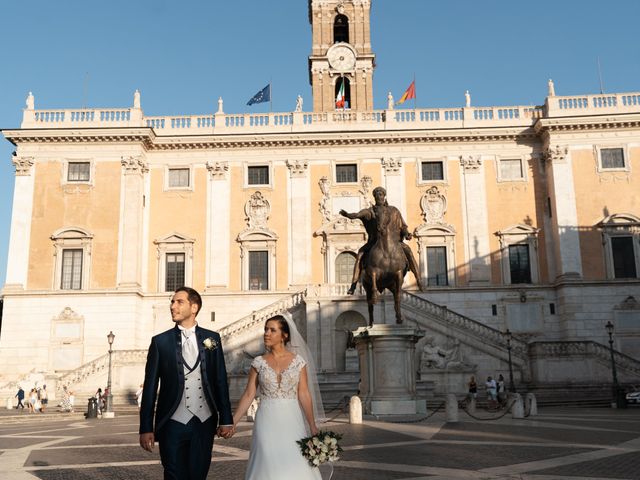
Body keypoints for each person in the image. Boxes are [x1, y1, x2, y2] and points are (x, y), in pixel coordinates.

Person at [139, 286, 233, 480]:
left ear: (194, 307)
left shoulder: (211, 339)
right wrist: (146, 427)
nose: (173, 306)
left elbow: (220, 379)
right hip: (172, 422)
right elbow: (149, 388)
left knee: (198, 475)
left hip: (204, 422)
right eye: (172, 302)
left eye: (179, 302)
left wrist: (226, 418)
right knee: (173, 474)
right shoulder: (160, 342)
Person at [232, 314, 324, 480]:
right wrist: (233, 422)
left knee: (295, 460)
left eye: (272, 330)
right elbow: (248, 394)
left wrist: (312, 425)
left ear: (284, 335)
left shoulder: (298, 362)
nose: (266, 333)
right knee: (266, 459)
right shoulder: (258, 362)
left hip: (292, 419)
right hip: (266, 419)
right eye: (266, 329)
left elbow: (304, 393)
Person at [340, 186, 423, 294]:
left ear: (384, 196)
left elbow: (403, 226)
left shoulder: (394, 211)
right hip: (374, 242)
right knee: (360, 255)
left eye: (381, 194)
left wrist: (407, 234)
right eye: (377, 195)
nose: (379, 196)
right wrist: (348, 215)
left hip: (394, 242)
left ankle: (418, 279)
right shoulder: (370, 212)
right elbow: (357, 214)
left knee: (408, 251)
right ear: (374, 197)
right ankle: (353, 285)